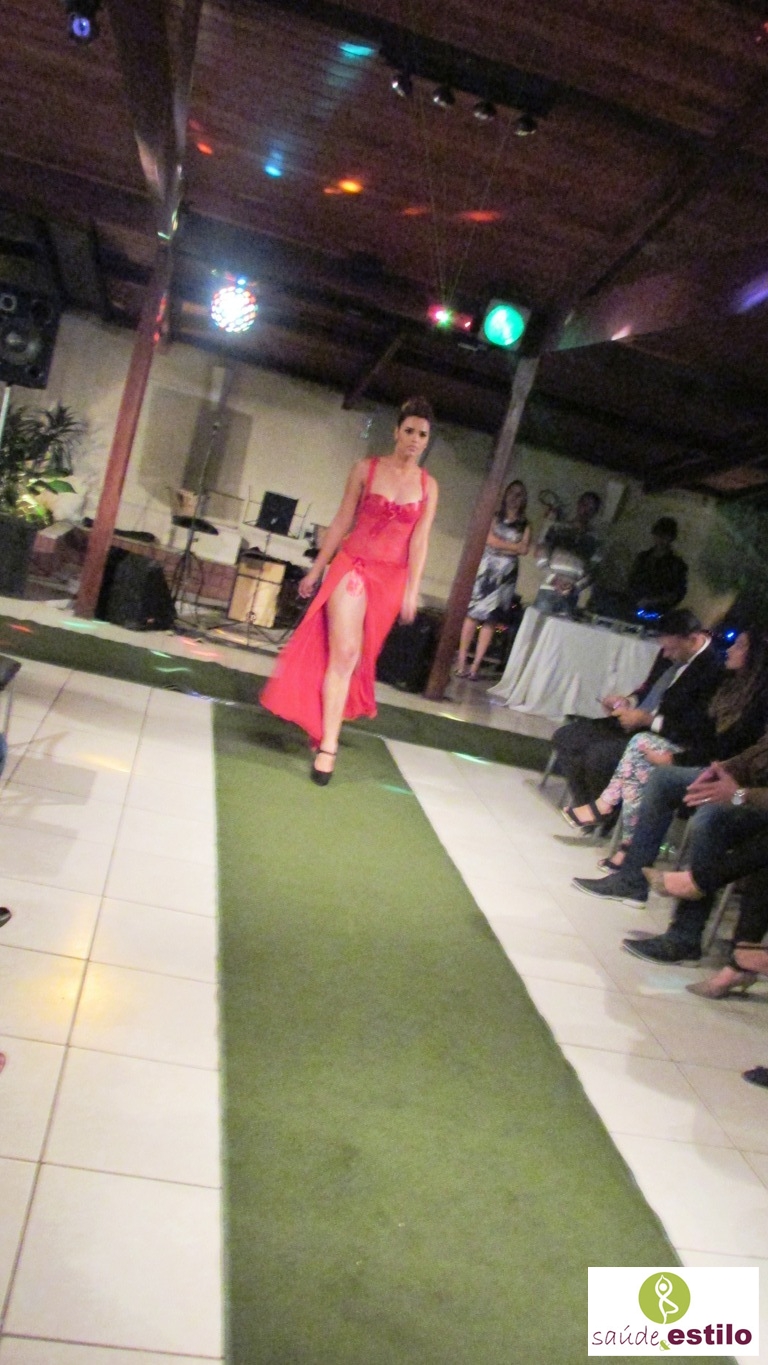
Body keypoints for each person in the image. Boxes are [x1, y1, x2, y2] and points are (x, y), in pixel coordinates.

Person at [261, 397, 439, 784]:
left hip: (391, 580)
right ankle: (329, 746)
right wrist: (316, 569)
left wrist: (412, 590)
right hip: (353, 565)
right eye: (409, 430)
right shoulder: (366, 469)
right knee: (343, 652)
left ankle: (324, 723)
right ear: (396, 431)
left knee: (357, 658)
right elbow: (342, 520)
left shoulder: (428, 486)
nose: (414, 439)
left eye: (423, 434)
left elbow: (419, 541)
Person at [572, 626, 768, 904]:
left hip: (739, 782)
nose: (730, 650)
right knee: (654, 769)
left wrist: (732, 788)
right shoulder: (731, 685)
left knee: (705, 816)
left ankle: (622, 835)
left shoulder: (755, 699)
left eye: (740, 646)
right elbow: (723, 744)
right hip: (718, 766)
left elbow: (730, 747)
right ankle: (630, 872)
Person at [552, 608, 723, 809]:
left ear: (692, 640)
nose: (666, 654)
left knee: (599, 756)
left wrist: (648, 720)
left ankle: (604, 812)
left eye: (671, 649)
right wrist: (628, 701)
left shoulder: (714, 670)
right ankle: (588, 805)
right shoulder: (671, 651)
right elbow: (649, 687)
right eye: (664, 648)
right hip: (637, 722)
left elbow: (694, 726)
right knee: (566, 737)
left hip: (666, 736)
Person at [455, 480, 530, 680]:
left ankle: (475, 666)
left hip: (506, 575)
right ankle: (461, 661)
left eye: (519, 494)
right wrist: (512, 546)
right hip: (486, 570)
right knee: (473, 615)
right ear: (505, 495)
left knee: (491, 620)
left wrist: (502, 545)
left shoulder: (525, 524)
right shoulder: (495, 517)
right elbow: (489, 540)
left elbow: (524, 549)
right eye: (512, 492)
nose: (515, 498)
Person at [534, 490, 602, 617]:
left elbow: (594, 570)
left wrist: (575, 587)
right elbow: (541, 553)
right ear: (578, 504)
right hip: (548, 589)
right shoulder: (558, 528)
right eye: (585, 505)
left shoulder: (595, 539)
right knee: (536, 625)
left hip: (571, 596)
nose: (586, 510)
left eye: (592, 509)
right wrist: (553, 579)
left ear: (595, 513)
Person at [625, 517, 688, 617]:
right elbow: (632, 582)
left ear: (671, 538)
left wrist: (653, 601)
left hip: (658, 613)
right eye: (659, 535)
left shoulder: (676, 565)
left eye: (666, 536)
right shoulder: (643, 558)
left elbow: (677, 594)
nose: (661, 540)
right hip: (634, 608)